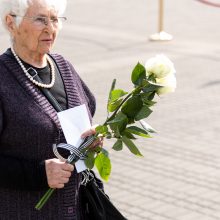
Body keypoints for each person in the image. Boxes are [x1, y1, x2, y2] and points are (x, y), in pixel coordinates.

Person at [0, 0, 102, 219]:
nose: (50, 28)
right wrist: (38, 173)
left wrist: (90, 142)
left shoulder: (63, 66)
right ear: (11, 23)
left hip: (75, 209)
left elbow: (85, 118)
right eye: (40, 19)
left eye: (54, 19)